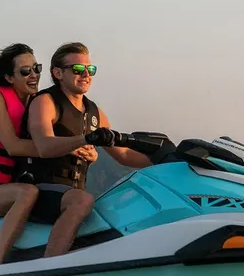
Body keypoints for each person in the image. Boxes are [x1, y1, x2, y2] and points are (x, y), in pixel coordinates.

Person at [17, 42, 152, 258]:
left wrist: (167, 160)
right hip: (40, 191)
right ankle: (50, 265)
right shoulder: (46, 102)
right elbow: (44, 146)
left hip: (73, 193)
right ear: (58, 73)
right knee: (83, 200)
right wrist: (84, 139)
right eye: (78, 69)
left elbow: (124, 154)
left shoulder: (94, 112)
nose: (86, 75)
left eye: (91, 69)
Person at [0, 43, 75, 266]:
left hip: (15, 185)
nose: (34, 75)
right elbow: (13, 147)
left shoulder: (37, 102)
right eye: (25, 71)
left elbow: (56, 141)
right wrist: (66, 147)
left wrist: (84, 149)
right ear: (9, 77)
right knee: (27, 192)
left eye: (36, 68)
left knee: (66, 197)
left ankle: (54, 258)